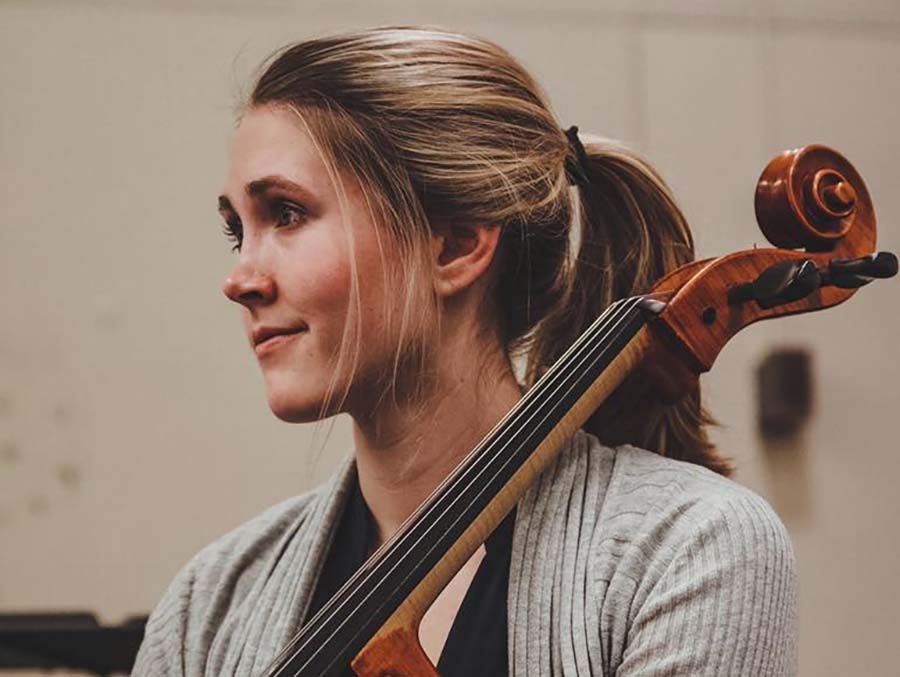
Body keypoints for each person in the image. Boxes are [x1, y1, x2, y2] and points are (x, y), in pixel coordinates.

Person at [133, 25, 797, 676]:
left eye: (286, 213)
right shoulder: (213, 600)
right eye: (235, 231)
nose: (240, 278)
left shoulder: (688, 549)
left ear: (453, 246)